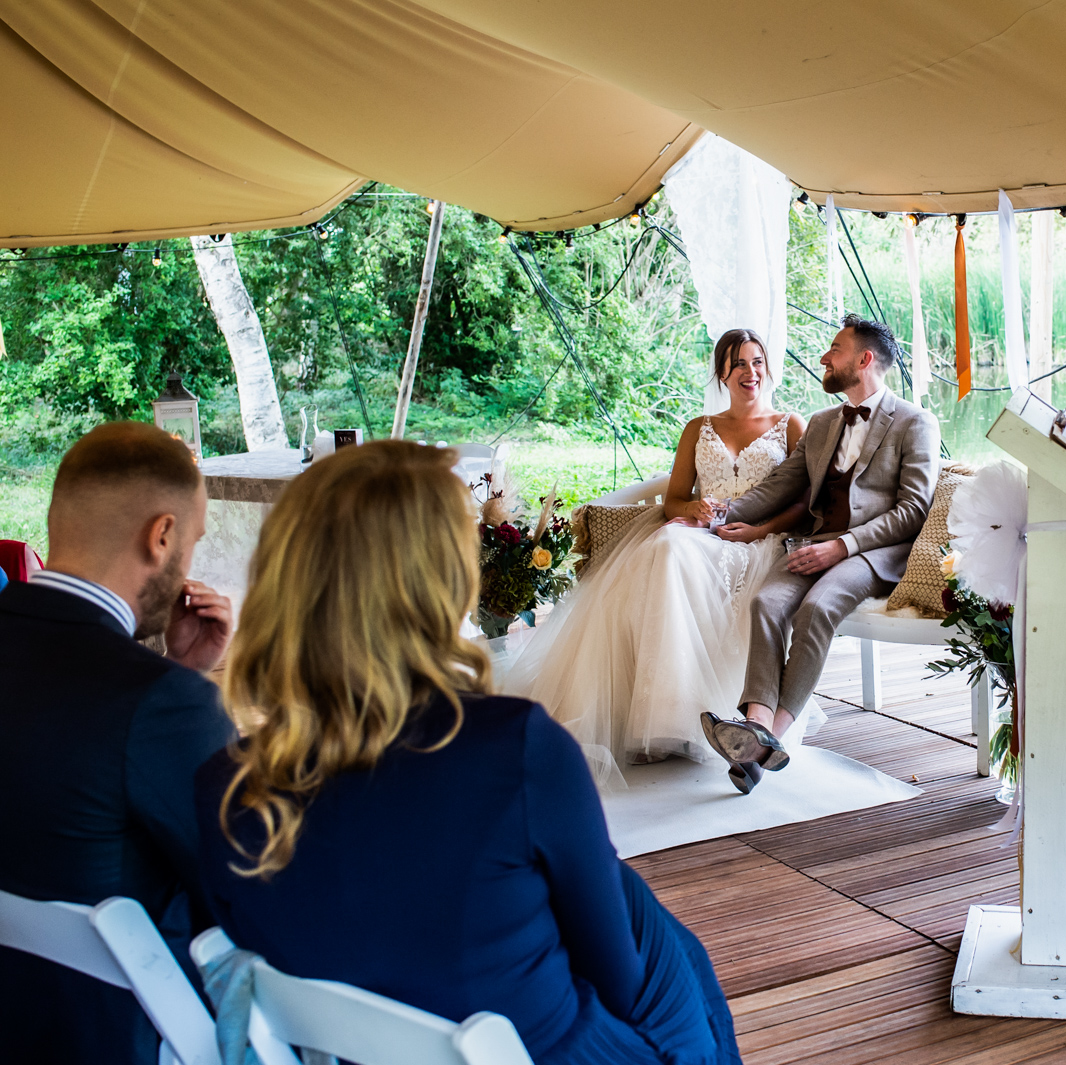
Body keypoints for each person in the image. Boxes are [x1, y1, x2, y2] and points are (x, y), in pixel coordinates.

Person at [194, 441, 741, 1065]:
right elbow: (617, 979)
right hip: (540, 1049)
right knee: (642, 919)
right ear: (442, 584)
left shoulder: (224, 788)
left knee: (623, 902)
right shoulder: (514, 748)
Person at [0, 421, 236, 1065]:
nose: (189, 562)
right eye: (191, 543)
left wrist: (174, 671)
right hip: (111, 1032)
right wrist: (181, 692)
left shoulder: (154, 694)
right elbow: (244, 882)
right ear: (161, 536)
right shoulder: (158, 704)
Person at [500, 328, 810, 790]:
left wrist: (760, 528)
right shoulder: (698, 428)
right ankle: (665, 719)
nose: (751, 373)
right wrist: (695, 510)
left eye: (758, 362)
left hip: (764, 540)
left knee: (677, 554)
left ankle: (712, 722)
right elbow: (674, 501)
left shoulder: (790, 425)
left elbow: (805, 501)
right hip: (708, 534)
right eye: (739, 363)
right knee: (665, 547)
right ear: (722, 372)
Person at [700, 315, 940, 793]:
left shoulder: (916, 422)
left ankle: (768, 739)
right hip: (812, 545)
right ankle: (756, 732)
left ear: (863, 360)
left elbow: (914, 509)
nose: (825, 358)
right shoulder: (823, 422)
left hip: (870, 554)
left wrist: (843, 546)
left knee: (816, 609)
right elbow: (779, 485)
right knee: (766, 604)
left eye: (835, 349)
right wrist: (719, 513)